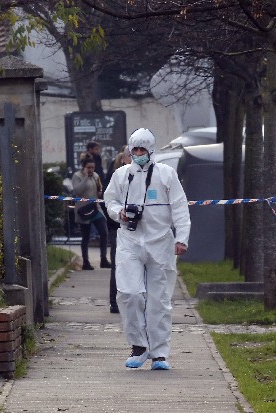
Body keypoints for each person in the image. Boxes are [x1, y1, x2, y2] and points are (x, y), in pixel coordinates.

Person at [104, 128, 190, 370]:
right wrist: (118, 212)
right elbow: (109, 200)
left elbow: (180, 207)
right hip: (130, 240)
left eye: (143, 150)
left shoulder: (166, 175)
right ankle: (138, 345)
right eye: (135, 150)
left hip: (161, 242)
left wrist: (181, 238)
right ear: (130, 150)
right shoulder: (121, 175)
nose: (139, 154)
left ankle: (160, 353)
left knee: (159, 300)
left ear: (151, 150)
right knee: (128, 293)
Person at [72, 157, 111, 270]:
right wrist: (85, 177)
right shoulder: (77, 176)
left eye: (92, 167)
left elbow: (99, 190)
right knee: (86, 236)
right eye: (88, 167)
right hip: (83, 209)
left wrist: (100, 191)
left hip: (95, 208)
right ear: (83, 167)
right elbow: (78, 191)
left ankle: (103, 259)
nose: (91, 170)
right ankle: (86, 261)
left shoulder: (96, 176)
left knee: (104, 232)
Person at [106, 146, 132, 314]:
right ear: (123, 159)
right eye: (131, 155)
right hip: (118, 228)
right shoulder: (117, 176)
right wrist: (118, 215)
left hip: (140, 231)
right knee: (118, 264)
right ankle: (115, 302)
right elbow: (109, 201)